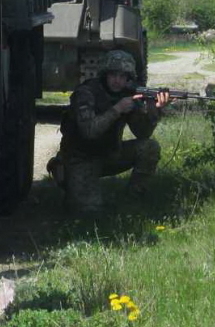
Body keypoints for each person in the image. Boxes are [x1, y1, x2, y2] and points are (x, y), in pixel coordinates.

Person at [48, 50, 169, 216]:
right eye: (113, 75)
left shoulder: (128, 94)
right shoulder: (86, 93)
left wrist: (155, 111)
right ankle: (61, 170)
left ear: (128, 78)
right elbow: (89, 131)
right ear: (105, 74)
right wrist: (117, 109)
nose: (117, 81)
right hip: (80, 158)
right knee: (88, 213)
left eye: (122, 76)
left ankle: (133, 200)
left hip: (109, 154)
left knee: (149, 148)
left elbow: (143, 133)